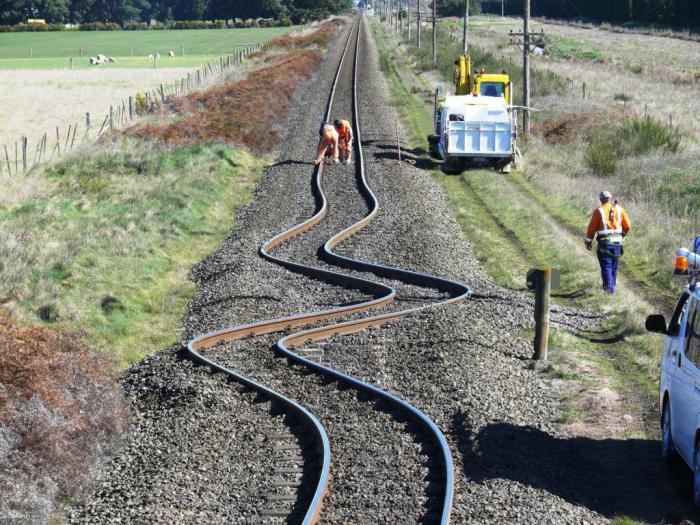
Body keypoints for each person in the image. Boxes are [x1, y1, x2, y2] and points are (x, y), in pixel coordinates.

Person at [585, 191, 632, 294]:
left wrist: (588, 241)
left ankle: (609, 291)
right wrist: (622, 235)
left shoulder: (599, 211)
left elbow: (591, 228)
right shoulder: (620, 209)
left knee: (606, 266)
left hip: (605, 243)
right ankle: (612, 288)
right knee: (614, 267)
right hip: (617, 243)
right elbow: (628, 226)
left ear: (601, 199)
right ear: (609, 198)